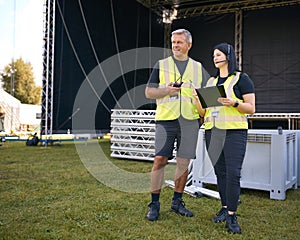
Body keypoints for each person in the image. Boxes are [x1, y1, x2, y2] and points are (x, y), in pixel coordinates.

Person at [145, 29, 209, 221]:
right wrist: (165, 90)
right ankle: (154, 203)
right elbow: (149, 92)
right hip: (166, 120)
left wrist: (204, 113)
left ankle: (177, 202)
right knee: (160, 161)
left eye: (180, 42)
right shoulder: (161, 65)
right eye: (173, 42)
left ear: (189, 45)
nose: (175, 46)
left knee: (183, 163)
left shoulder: (198, 68)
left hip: (189, 122)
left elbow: (207, 96)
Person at [193, 42, 255, 234]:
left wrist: (234, 103)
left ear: (228, 56)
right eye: (213, 55)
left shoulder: (241, 79)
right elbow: (203, 112)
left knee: (233, 173)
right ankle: (224, 207)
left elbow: (251, 108)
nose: (215, 58)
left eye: (218, 54)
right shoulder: (211, 83)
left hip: (234, 132)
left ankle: (232, 215)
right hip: (213, 132)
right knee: (221, 173)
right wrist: (196, 99)